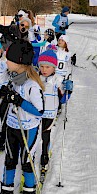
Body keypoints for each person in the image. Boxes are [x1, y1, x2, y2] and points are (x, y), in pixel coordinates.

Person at [0, 39, 45, 194]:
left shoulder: (32, 85)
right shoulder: (13, 78)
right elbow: (10, 96)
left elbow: (40, 110)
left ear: (18, 62)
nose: (5, 60)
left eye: (8, 58)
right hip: (12, 125)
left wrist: (19, 100)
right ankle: (6, 191)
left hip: (28, 128)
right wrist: (6, 94)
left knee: (26, 161)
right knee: (10, 159)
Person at [37, 50, 64, 183]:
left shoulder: (58, 80)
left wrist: (68, 91)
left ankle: (44, 157)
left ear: (54, 67)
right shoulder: (36, 77)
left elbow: (64, 99)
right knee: (35, 136)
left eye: (47, 67)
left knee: (45, 136)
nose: (44, 69)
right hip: (36, 112)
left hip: (50, 113)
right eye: (42, 66)